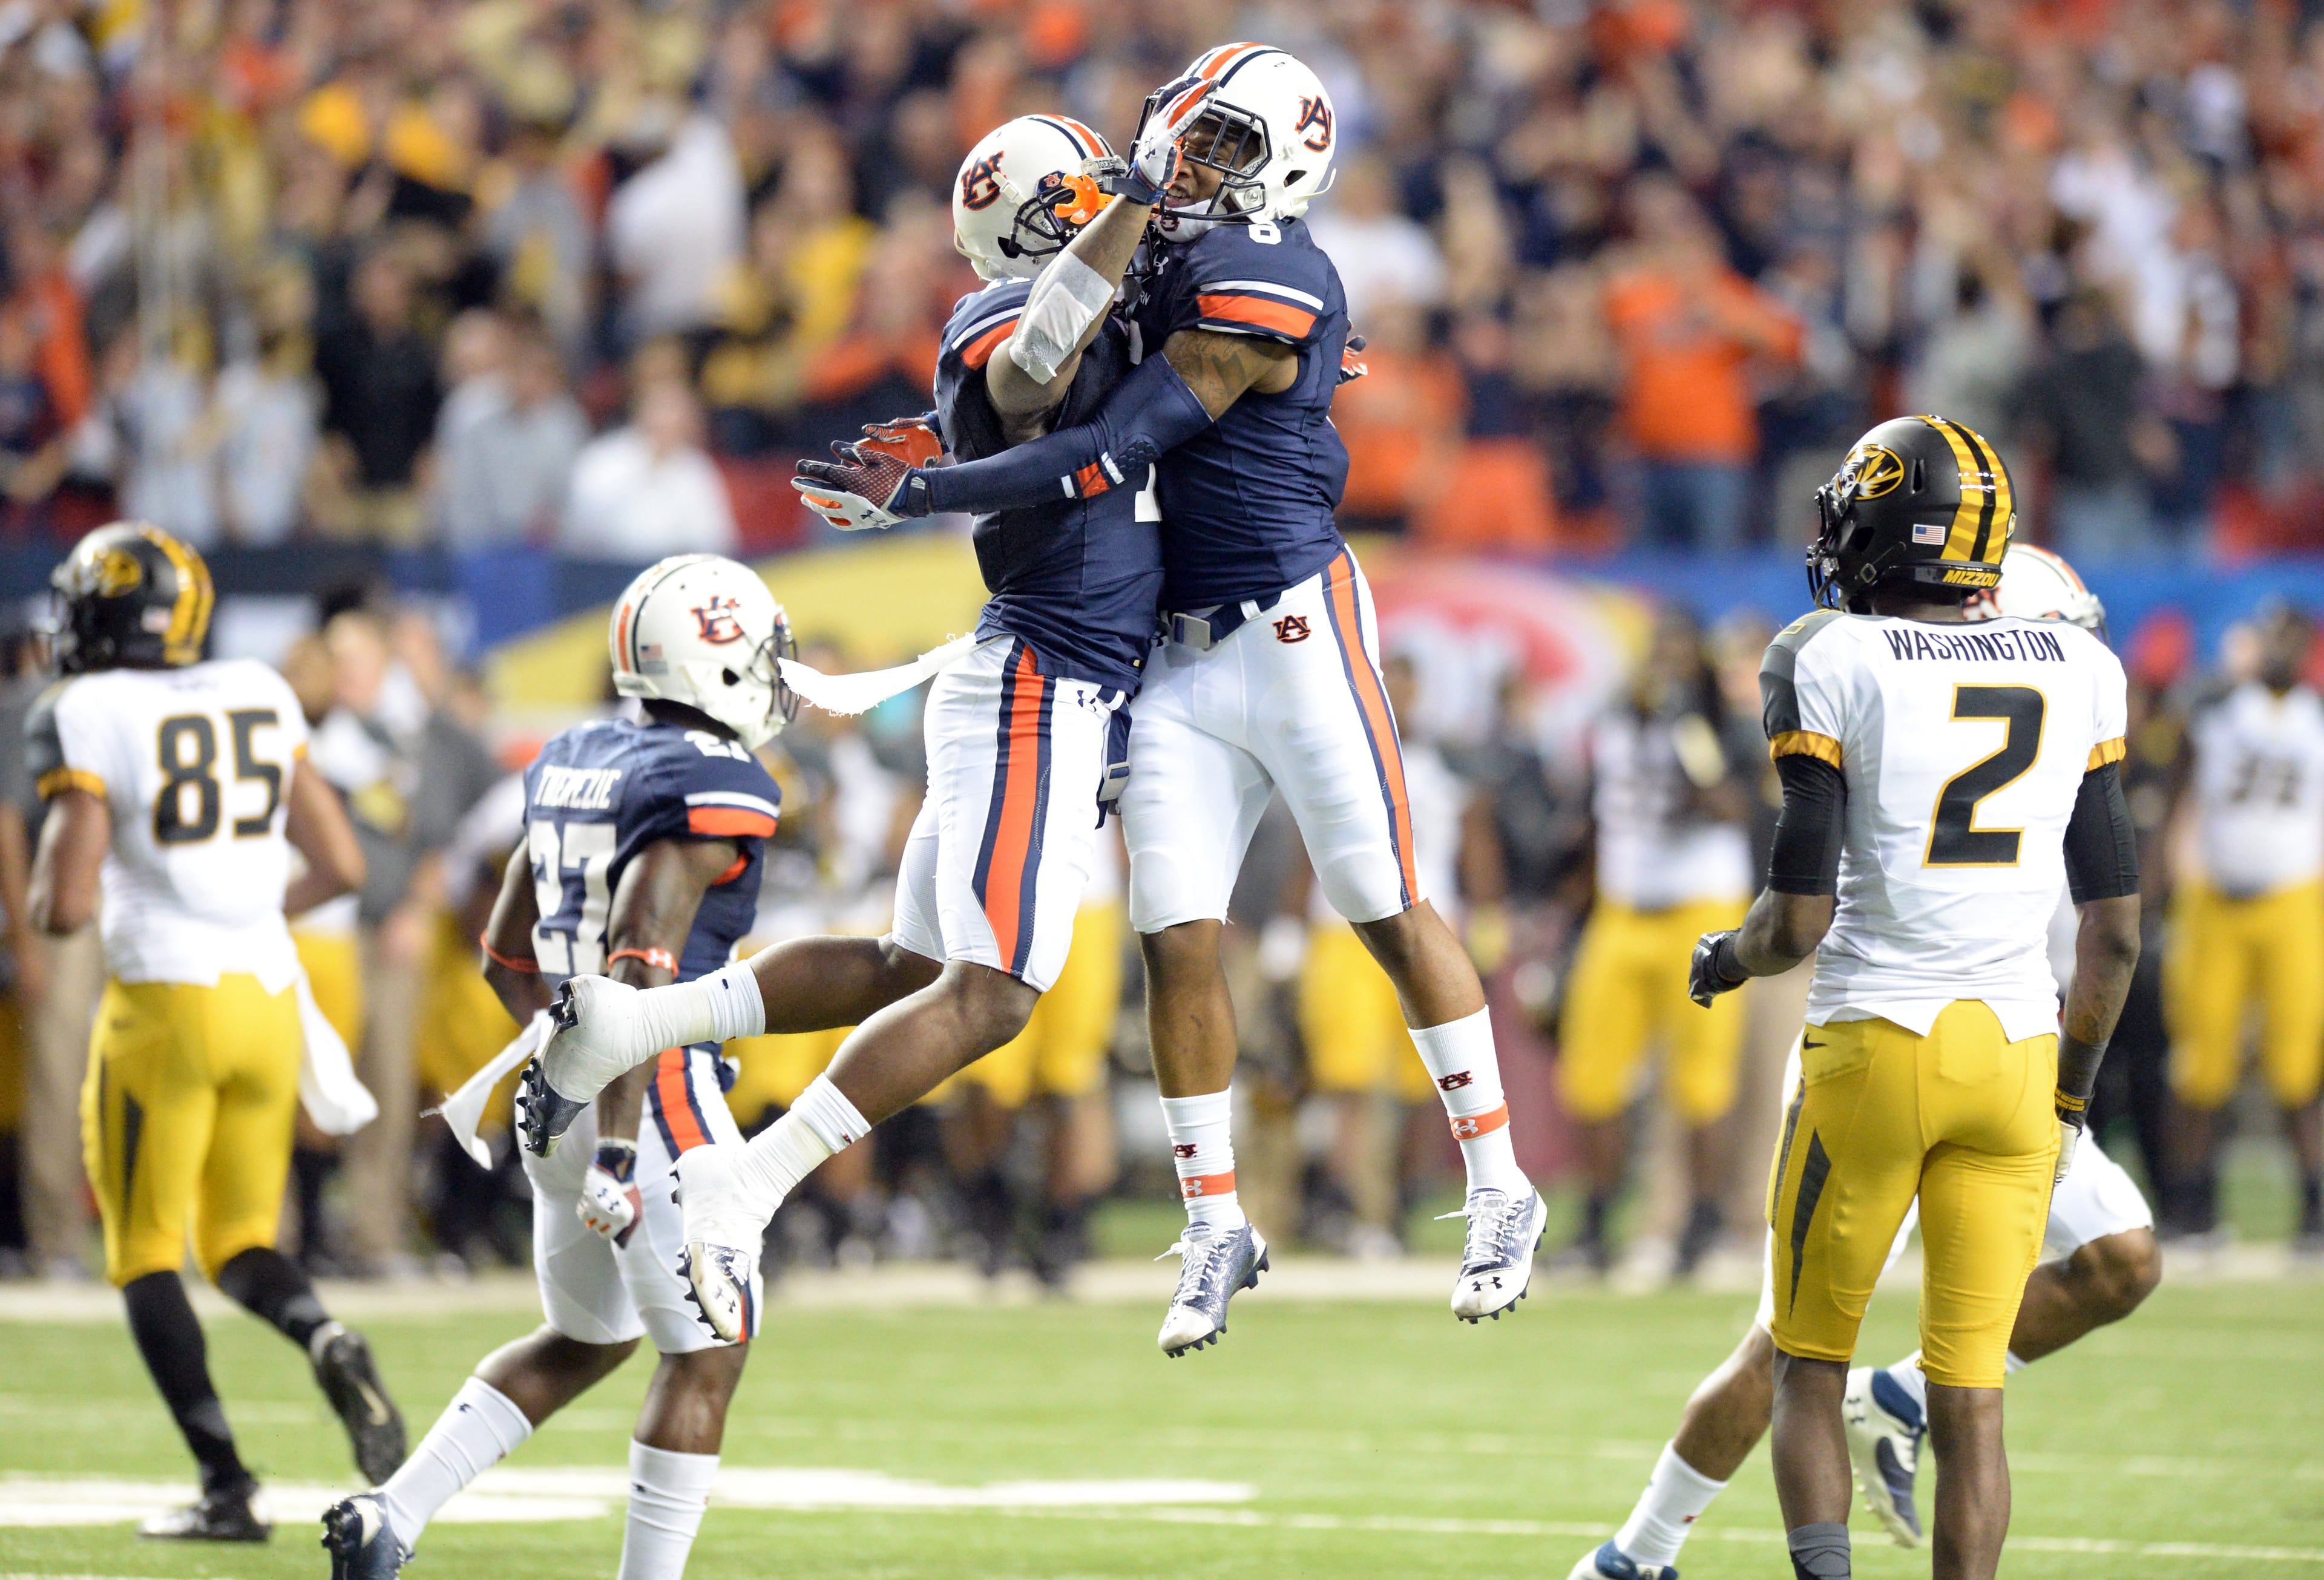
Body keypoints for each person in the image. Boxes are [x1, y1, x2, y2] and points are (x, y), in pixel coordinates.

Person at [786, 44, 1546, 1351]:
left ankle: (1500, 1184)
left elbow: (1108, 446)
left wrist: (934, 492)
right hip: (1176, 658)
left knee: (1382, 902)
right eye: (1187, 134)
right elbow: (1039, 359)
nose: (1193, 163)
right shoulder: (1153, 241)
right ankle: (1213, 1223)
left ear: (1296, 161)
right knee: (1175, 936)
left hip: (1294, 622)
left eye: (1227, 148)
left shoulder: (1279, 273)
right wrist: (973, 422)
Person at [517, 105, 1189, 1346]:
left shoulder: (1105, 304)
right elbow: (1035, 363)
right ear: (1040, 218)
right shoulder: (1003, 311)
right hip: (1042, 680)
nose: (1112, 205)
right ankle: (746, 1184)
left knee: (906, 969)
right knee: (992, 996)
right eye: (1085, 193)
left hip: (1047, 683)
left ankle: (636, 1022)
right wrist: (1132, 217)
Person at [1566, 540, 2161, 1580]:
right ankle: (1640, 1549)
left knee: (2116, 1262)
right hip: (2012, 1055)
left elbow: (1799, 901)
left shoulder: (1867, 663)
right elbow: (2115, 927)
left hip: (1964, 1043)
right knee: (1798, 1351)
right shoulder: (2044, 684)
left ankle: (1886, 1401)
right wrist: (2070, 1092)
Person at [323, 554, 796, 1580]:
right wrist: (618, 1142)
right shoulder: (707, 784)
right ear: (714, 665)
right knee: (705, 1354)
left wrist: (559, 1061)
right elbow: (636, 963)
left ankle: (391, 1514)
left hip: (567, 1095)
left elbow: (504, 948)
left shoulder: (577, 754)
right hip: (651, 1098)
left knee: (588, 1338)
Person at [24, 522, 399, 1539]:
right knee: (238, 1240)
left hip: (165, 1006)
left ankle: (227, 1486)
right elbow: (343, 866)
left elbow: (63, 904)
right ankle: (321, 1337)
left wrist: (58, 870)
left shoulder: (86, 706)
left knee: (146, 1250)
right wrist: (243, 910)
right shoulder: (259, 689)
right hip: (268, 996)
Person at [1557, 605, 1758, 1276]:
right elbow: (1593, 822)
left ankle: (1699, 1228)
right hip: (1621, 909)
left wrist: (1686, 735)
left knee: (1700, 1081)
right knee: (1592, 1075)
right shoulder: (1613, 723)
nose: (1663, 667)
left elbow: (1730, 807)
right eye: (1656, 653)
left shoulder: (1715, 724)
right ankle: (1593, 1225)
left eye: (1676, 653)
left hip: (1701, 909)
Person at [2164, 600, 2324, 1248]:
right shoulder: (2216, 706)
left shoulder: (2314, 716)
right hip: (2215, 900)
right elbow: (2179, 773)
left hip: (2293, 897)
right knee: (2201, 1060)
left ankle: (2313, 1210)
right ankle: (2189, 1206)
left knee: (2298, 1061)